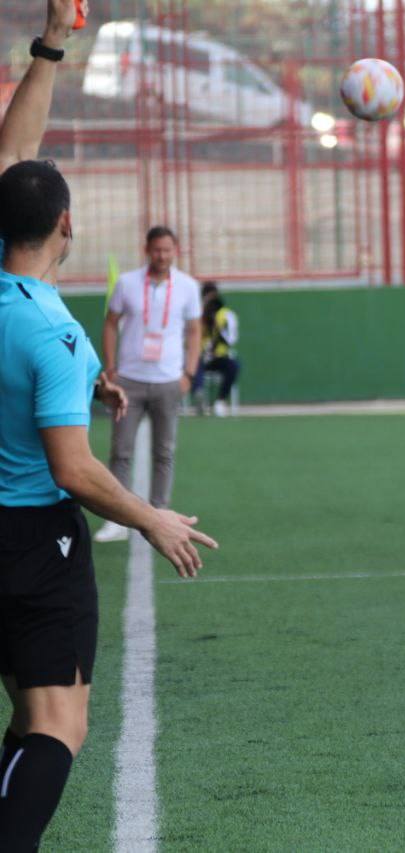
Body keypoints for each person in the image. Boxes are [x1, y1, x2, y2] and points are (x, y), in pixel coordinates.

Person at [0, 4, 217, 846]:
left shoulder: (42, 327)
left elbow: (13, 155)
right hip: (30, 539)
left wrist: (54, 43)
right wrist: (151, 515)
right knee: (58, 724)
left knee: (27, 711)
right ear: (66, 224)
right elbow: (73, 470)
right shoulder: (49, 330)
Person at [93, 225, 202, 542]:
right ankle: (116, 518)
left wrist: (189, 373)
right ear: (147, 250)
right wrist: (112, 369)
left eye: (168, 250)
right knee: (121, 451)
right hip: (129, 381)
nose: (162, 255)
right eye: (157, 249)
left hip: (169, 381)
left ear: (175, 251)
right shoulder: (127, 283)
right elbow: (110, 324)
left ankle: (160, 513)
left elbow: (195, 331)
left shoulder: (188, 287)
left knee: (164, 452)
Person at [193, 280, 239, 417]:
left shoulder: (226, 315)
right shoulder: (196, 314)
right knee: (195, 363)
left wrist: (218, 329)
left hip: (218, 357)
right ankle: (199, 395)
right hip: (200, 357)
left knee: (234, 366)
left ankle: (220, 401)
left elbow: (231, 339)